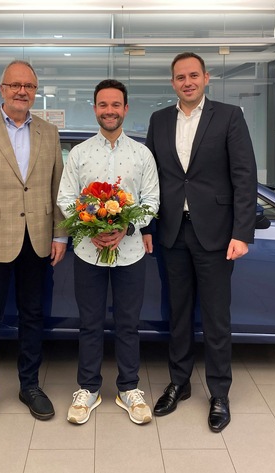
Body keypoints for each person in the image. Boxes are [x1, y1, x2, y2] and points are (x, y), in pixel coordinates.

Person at [145, 52, 258, 433]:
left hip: (217, 234)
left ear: (206, 78)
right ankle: (179, 383)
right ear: (172, 82)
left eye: (194, 75)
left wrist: (241, 233)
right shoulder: (160, 120)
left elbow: (244, 177)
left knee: (215, 317)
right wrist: (147, 226)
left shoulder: (229, 116)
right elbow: (151, 178)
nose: (187, 82)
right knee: (177, 313)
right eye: (180, 77)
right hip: (172, 231)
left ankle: (219, 393)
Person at [0, 59, 67, 434]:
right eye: (15, 85)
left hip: (37, 240)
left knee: (32, 315)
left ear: (35, 92)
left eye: (29, 86)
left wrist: (60, 234)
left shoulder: (49, 133)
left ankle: (29, 386)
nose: (22, 91)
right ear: (2, 89)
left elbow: (57, 188)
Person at [57, 79, 160, 425]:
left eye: (116, 105)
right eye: (103, 105)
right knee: (90, 323)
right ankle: (88, 388)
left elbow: (151, 201)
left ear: (125, 109)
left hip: (130, 252)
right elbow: (65, 198)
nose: (109, 111)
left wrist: (125, 227)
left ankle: (129, 388)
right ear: (95, 109)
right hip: (88, 252)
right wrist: (91, 225)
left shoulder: (142, 154)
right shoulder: (80, 153)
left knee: (129, 324)